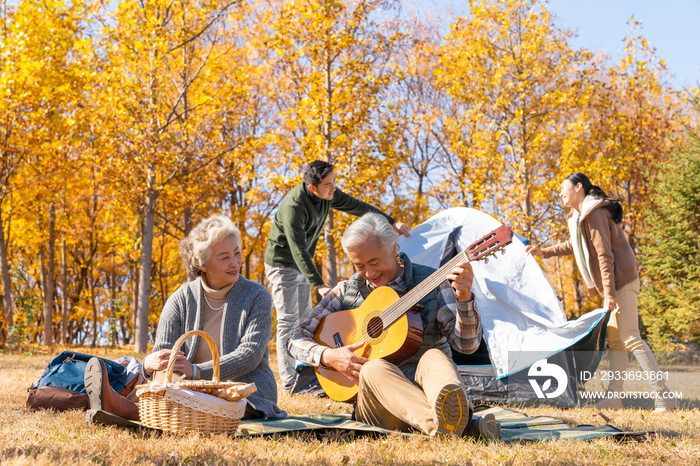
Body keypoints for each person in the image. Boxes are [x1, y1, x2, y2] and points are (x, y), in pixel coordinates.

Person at [287, 213, 502, 440]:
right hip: (381, 407)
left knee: (434, 356)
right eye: (359, 265)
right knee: (372, 368)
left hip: (428, 389)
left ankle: (446, 425)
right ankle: (463, 428)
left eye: (375, 262)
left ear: (394, 248)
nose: (369, 273)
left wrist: (465, 299)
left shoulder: (432, 281)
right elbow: (296, 338)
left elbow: (466, 346)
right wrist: (329, 356)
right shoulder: (345, 292)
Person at [85, 214, 286, 421]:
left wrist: (197, 372)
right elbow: (164, 357)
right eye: (224, 257)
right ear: (204, 264)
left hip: (243, 394)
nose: (235, 263)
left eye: (237, 253)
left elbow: (250, 355)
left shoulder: (257, 295)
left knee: (199, 404)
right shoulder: (181, 298)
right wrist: (148, 364)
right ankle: (125, 406)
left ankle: (129, 411)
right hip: (188, 392)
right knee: (171, 383)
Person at [525, 172, 676, 411]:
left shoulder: (593, 213)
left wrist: (609, 294)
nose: (560, 193)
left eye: (564, 188)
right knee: (616, 342)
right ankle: (614, 398)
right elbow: (575, 246)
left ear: (578, 187)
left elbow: (604, 255)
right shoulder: (578, 217)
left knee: (630, 337)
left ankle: (664, 396)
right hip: (615, 284)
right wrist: (544, 252)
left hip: (621, 281)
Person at [265, 160, 411, 393]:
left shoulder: (328, 194)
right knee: (288, 320)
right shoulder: (294, 207)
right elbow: (297, 250)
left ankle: (305, 375)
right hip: (283, 265)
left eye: (334, 182)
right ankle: (288, 381)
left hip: (303, 265)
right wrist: (319, 283)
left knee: (304, 318)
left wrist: (391, 221)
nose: (334, 188)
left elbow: (358, 206)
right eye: (328, 184)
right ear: (313, 188)